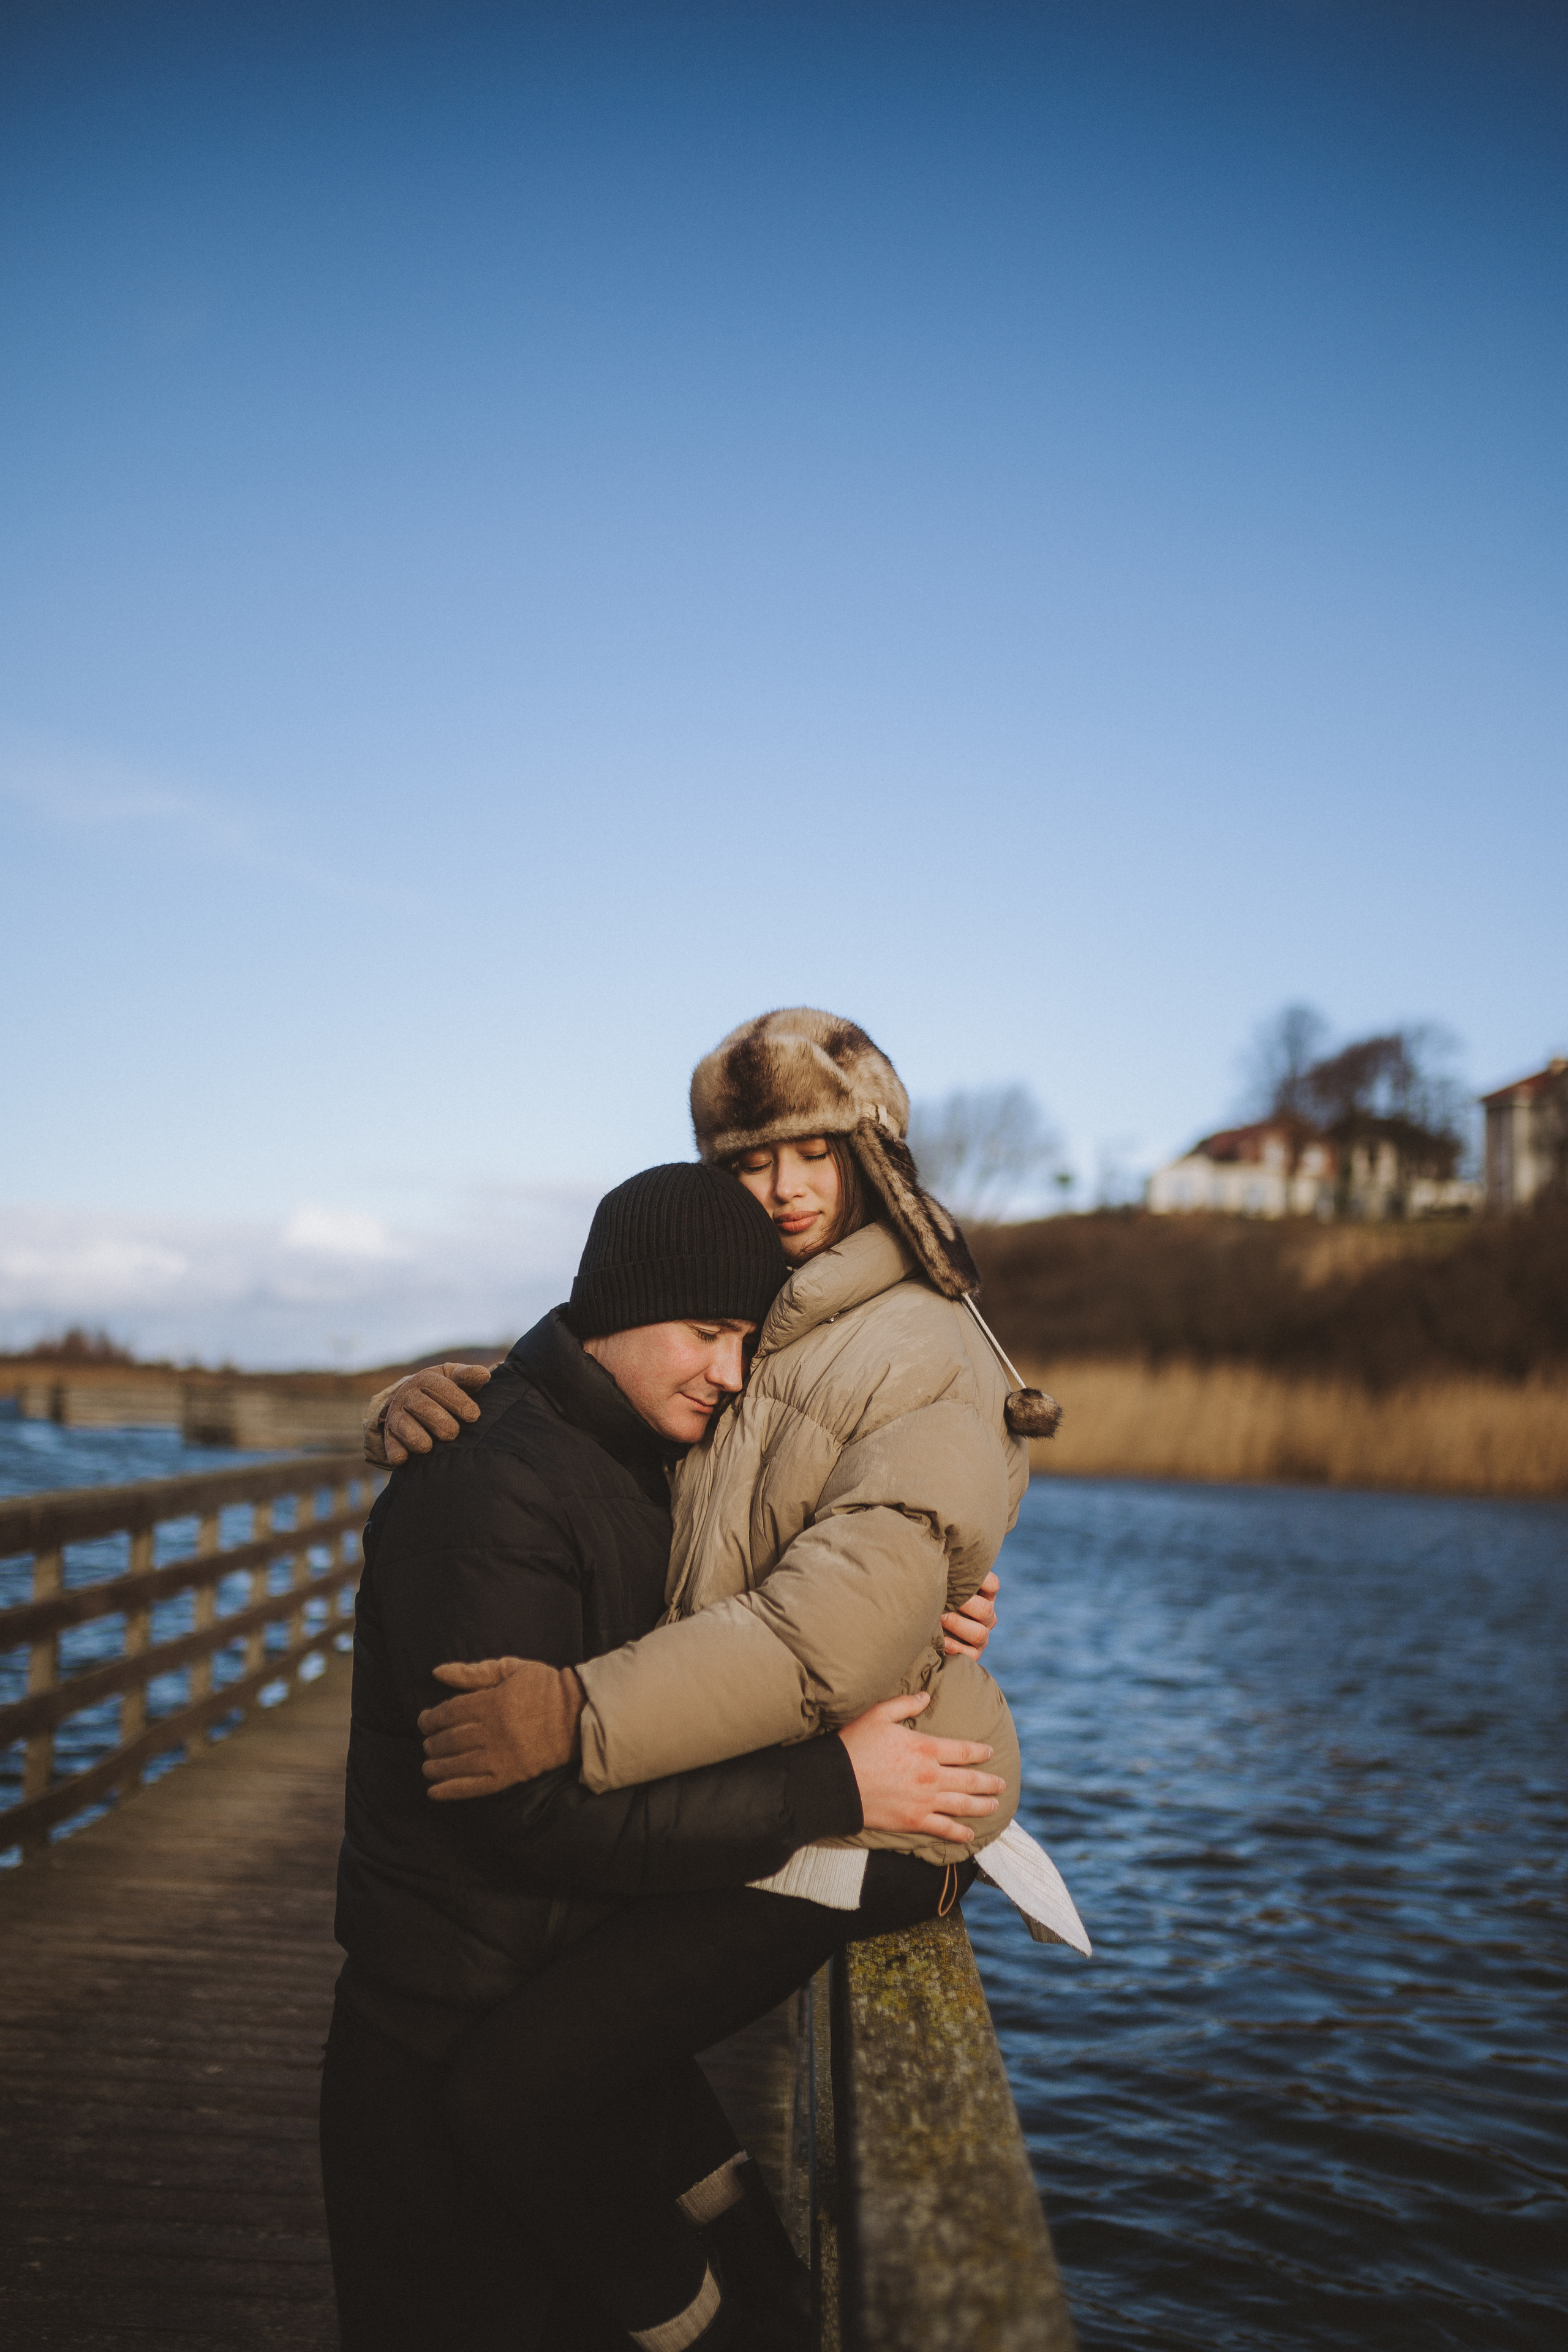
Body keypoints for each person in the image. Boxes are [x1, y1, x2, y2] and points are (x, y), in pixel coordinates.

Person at [391, 1011, 1041, 2350]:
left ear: (874, 1153)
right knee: (579, 2033)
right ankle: (763, 2285)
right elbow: (590, 1392)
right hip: (756, 1776)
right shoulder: (761, 1321)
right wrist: (433, 1403)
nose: (788, 1187)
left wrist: (578, 1712)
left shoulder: (925, 1346)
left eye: (818, 1149)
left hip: (879, 1808)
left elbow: (834, 1635)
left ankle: (726, 2332)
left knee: (519, 2081)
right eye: (751, 1160)